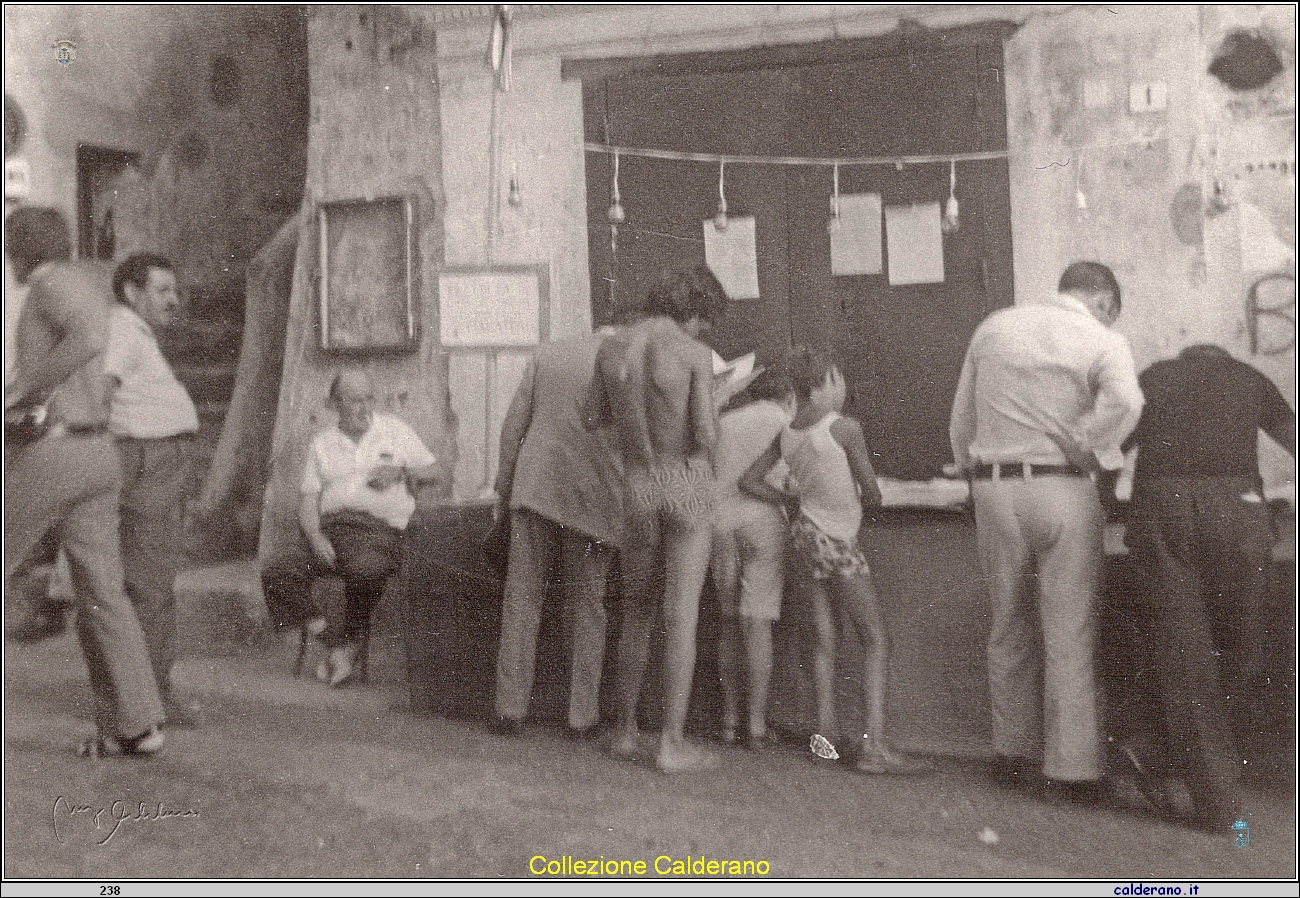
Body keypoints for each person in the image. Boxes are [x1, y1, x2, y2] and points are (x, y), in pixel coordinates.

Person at [949, 260, 1144, 800]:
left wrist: (971, 469)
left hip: (993, 488)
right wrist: (1089, 443)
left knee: (1007, 623)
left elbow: (961, 418)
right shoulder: (1102, 338)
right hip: (1062, 490)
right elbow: (1129, 402)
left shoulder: (995, 325)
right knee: (1070, 631)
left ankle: (1012, 754)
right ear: (1104, 300)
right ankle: (1072, 770)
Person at [3, 206, 166, 757]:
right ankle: (140, 724)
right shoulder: (86, 283)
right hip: (99, 454)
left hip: (54, 455)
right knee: (104, 594)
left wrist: (20, 389)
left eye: (8, 251)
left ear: (22, 251)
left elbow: (90, 340)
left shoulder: (48, 284)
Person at [1119, 343, 1294, 830]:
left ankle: (1206, 790)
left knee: (1183, 654)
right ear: (1223, 360)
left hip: (1163, 510)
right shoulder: (1249, 378)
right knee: (1243, 646)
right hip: (1240, 514)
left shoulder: (1153, 377)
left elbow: (1113, 445)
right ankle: (1206, 773)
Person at [742, 347, 928, 773]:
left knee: (823, 641)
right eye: (838, 379)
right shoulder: (845, 429)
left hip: (804, 534)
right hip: (838, 538)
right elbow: (873, 492)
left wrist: (790, 498)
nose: (842, 387)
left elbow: (749, 480)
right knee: (875, 637)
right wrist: (873, 496)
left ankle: (824, 740)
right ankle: (875, 749)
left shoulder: (788, 432)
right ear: (822, 384)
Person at [583, 265, 726, 773]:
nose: (705, 332)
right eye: (706, 322)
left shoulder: (612, 349)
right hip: (683, 478)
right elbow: (705, 435)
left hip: (638, 482)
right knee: (680, 616)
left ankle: (624, 730)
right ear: (695, 312)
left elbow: (592, 418)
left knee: (635, 611)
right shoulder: (694, 354)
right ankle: (670, 743)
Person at [260, 370, 439, 687]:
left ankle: (346, 647)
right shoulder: (322, 443)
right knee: (277, 568)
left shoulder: (394, 431)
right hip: (330, 530)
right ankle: (334, 643)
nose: (365, 407)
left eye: (369, 398)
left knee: (367, 569)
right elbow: (308, 500)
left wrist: (400, 472)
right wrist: (315, 537)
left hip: (379, 532)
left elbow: (435, 471)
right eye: (355, 400)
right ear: (334, 404)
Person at [492, 329, 624, 737]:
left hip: (536, 488)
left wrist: (503, 488)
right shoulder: (629, 361)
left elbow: (512, 426)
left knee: (522, 599)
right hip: (593, 495)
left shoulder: (548, 354)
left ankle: (509, 709)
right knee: (588, 606)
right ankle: (581, 717)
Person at [100, 252, 202, 726]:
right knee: (151, 587)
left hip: (153, 464)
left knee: (147, 584)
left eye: (174, 290)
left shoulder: (134, 332)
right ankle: (151, 701)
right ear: (131, 292)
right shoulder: (123, 330)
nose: (173, 300)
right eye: (162, 290)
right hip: (146, 464)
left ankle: (142, 696)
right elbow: (103, 388)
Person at [709, 367, 794, 750]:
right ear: (788, 396)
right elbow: (792, 480)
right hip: (763, 525)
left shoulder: (725, 421)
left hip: (720, 526)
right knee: (756, 625)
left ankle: (728, 722)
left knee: (728, 624)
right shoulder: (786, 422)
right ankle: (756, 728)